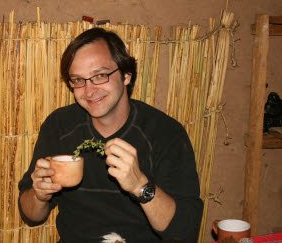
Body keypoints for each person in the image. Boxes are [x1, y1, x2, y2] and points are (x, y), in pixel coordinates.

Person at [18, 27, 203, 243]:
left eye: (99, 75)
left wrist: (140, 186)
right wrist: (40, 195)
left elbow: (185, 230)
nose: (88, 90)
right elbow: (31, 215)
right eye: (78, 80)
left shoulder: (165, 133)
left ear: (126, 75)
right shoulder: (59, 126)